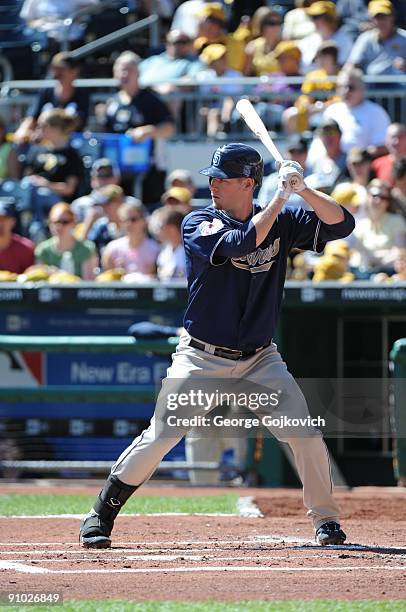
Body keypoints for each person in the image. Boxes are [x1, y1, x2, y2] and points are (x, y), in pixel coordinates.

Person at [79, 142, 354, 549]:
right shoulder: (198, 221)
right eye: (212, 177)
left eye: (221, 178)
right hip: (201, 356)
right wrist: (280, 196)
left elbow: (341, 224)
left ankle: (326, 520)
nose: (212, 184)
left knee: (304, 432)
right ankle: (101, 512)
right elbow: (241, 242)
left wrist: (304, 189)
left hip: (261, 358)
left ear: (247, 183)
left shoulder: (283, 220)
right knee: (161, 435)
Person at [99, 51, 176, 204]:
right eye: (121, 70)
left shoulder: (150, 100)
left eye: (129, 70)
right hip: (118, 172)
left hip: (148, 171)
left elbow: (170, 127)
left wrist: (148, 131)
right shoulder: (112, 103)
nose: (124, 74)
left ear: (138, 73)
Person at [14, 52, 89, 144]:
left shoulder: (81, 93)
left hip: (70, 144)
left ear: (74, 71)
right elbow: (33, 117)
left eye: (62, 69)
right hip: (44, 144)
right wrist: (23, 131)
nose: (57, 73)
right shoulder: (46, 91)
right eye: (55, 69)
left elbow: (78, 122)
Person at [320, 68, 391, 156]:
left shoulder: (376, 112)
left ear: (362, 89)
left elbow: (382, 146)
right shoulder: (331, 111)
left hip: (361, 164)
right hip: (332, 163)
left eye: (351, 87)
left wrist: (359, 155)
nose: (345, 91)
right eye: (341, 87)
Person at [348, 178, 406, 275]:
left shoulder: (397, 221)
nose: (378, 200)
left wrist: (372, 260)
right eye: (374, 195)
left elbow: (400, 252)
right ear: (367, 197)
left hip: (389, 274)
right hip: (361, 274)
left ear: (388, 203)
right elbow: (354, 254)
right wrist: (382, 256)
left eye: (383, 197)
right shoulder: (359, 224)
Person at [35, 202, 97, 279]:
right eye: (55, 222)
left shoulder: (86, 248)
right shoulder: (43, 250)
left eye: (65, 222)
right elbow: (39, 280)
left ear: (74, 222)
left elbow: (89, 283)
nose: (59, 226)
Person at [344, 0, 406, 77]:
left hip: (401, 87)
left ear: (392, 17)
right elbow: (351, 65)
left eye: (384, 17)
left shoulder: (404, 37)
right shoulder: (365, 39)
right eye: (377, 17)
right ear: (371, 19)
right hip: (371, 87)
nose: (380, 21)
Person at [101, 200, 159, 277]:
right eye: (124, 220)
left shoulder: (155, 249)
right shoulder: (112, 249)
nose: (128, 224)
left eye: (133, 219)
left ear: (144, 220)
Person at [257, 135, 311, 210]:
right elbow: (262, 208)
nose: (296, 156)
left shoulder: (315, 177)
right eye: (292, 152)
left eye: (300, 152)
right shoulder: (272, 180)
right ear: (286, 154)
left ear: (306, 153)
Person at [298, 1, 354, 72]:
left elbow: (342, 67)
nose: (314, 21)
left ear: (330, 19)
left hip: (332, 82)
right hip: (308, 81)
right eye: (312, 17)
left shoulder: (344, 39)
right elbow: (302, 67)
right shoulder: (308, 40)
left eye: (317, 17)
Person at [71, 158, 121, 222]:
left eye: (108, 175)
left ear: (117, 179)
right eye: (99, 175)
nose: (104, 180)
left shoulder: (129, 204)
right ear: (92, 180)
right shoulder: (80, 205)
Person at [149, 206, 188, 281]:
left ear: (172, 229)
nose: (156, 231)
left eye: (160, 226)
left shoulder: (191, 252)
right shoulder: (164, 252)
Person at [243, 6, 284, 77]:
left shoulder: (286, 46)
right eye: (271, 23)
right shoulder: (252, 46)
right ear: (260, 24)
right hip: (260, 87)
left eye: (278, 23)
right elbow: (246, 75)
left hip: (282, 87)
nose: (276, 27)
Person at [0, 198, 34, 274]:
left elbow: (30, 278)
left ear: (13, 221)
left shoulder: (25, 248)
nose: (0, 223)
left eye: (4, 219)